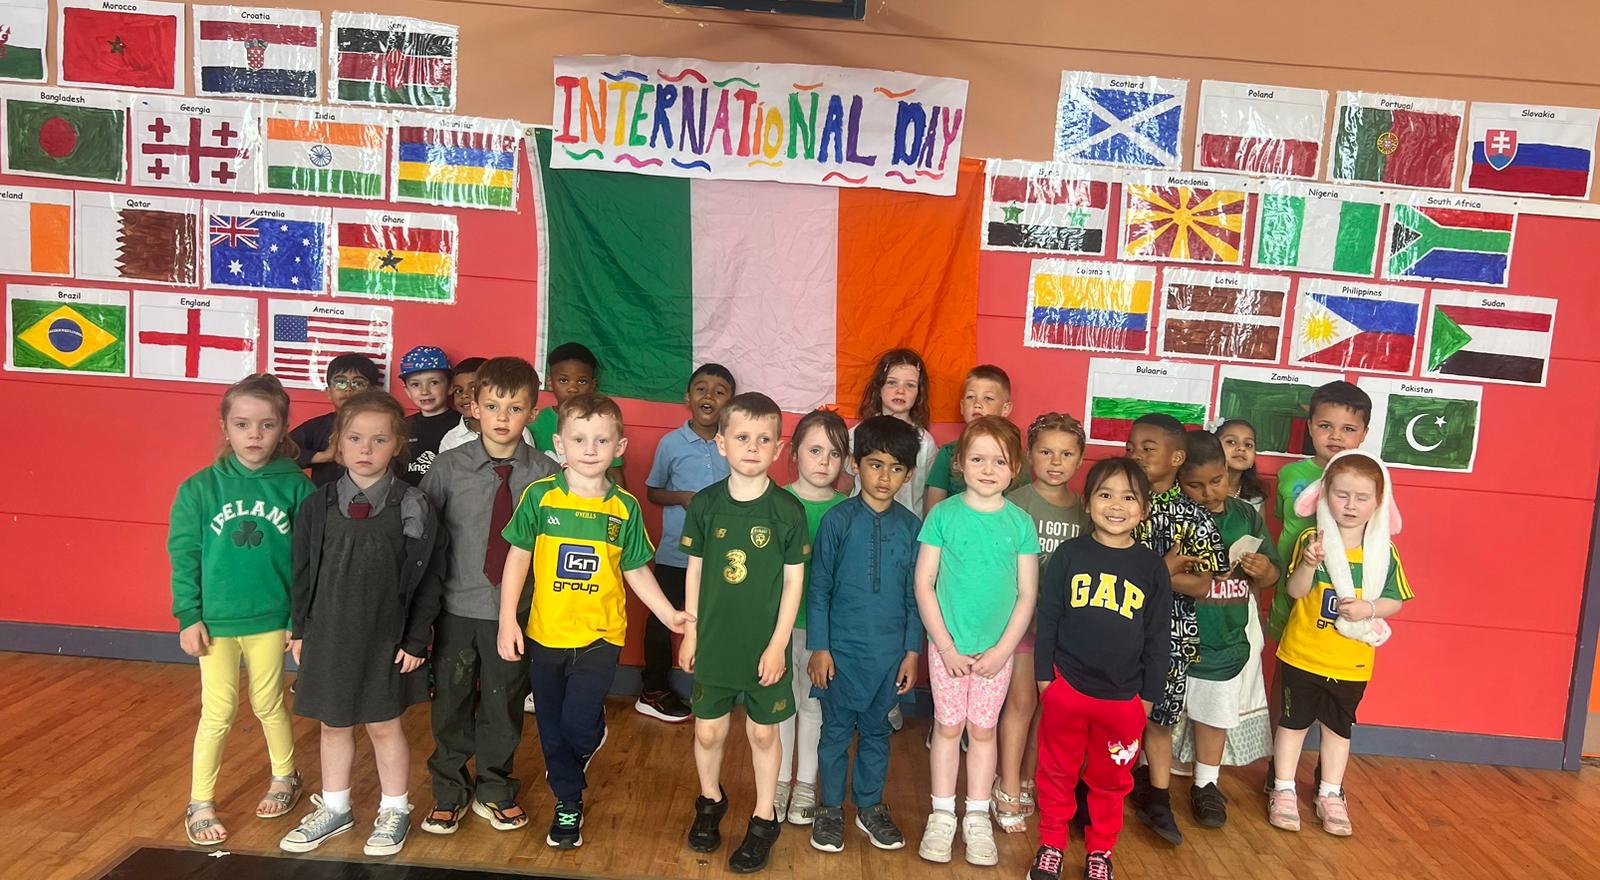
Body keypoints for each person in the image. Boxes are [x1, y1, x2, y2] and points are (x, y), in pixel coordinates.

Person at [496, 393, 695, 848]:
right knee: (551, 728)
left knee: (577, 726)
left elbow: (636, 568)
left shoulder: (623, 507)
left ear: (619, 447)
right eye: (579, 439)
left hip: (601, 635)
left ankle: (592, 734)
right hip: (546, 633)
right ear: (559, 445)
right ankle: (568, 803)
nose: (590, 449)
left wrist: (668, 613)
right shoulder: (540, 497)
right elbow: (517, 559)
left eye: (601, 440)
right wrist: (508, 620)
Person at [280, 391, 446, 857]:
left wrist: (417, 639)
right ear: (338, 442)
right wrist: (301, 629)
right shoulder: (318, 505)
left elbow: (430, 576)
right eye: (354, 438)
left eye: (379, 439)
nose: (366, 449)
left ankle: (395, 808)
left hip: (386, 639)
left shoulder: (413, 504)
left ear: (398, 445)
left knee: (384, 725)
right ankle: (336, 807)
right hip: (329, 634)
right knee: (333, 724)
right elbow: (301, 573)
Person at [169, 374, 314, 847]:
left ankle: (285, 776)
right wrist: (188, 615)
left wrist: (297, 621)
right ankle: (200, 801)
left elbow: (308, 563)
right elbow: (184, 555)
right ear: (225, 427)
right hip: (216, 623)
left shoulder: (296, 488)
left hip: (271, 620)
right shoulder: (199, 489)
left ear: (282, 428)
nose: (255, 434)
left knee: (269, 702)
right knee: (218, 710)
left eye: (267, 425)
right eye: (243, 424)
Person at [418, 357, 555, 837]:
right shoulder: (448, 468)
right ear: (473, 407)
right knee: (451, 701)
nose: (502, 417)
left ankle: (495, 788)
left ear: (532, 413)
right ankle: (449, 790)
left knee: (504, 701)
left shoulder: (547, 475)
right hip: (457, 609)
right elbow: (424, 538)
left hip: (516, 613)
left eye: (515, 408)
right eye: (493, 406)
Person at [679, 392, 809, 874]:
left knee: (762, 733)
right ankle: (709, 802)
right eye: (742, 437)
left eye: (763, 439)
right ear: (722, 443)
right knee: (709, 730)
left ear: (778, 448)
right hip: (715, 641)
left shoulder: (787, 510)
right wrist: (691, 632)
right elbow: (694, 570)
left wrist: (778, 645)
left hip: (764, 647)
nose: (752, 447)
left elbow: (793, 582)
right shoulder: (706, 504)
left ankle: (763, 817)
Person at [1028, 457, 1172, 880]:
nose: (1116, 506)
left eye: (1128, 497)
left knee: (1111, 781)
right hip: (1067, 689)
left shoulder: (1151, 567)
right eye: (1105, 494)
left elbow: (1158, 637)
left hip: (1124, 699)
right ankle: (1051, 844)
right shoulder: (1069, 555)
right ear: (1087, 502)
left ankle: (1100, 852)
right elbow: (1048, 619)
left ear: (1144, 509)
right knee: (1056, 773)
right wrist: (1045, 680)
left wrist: (1148, 697)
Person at [914, 416, 1040, 866]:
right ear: (960, 464)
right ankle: (942, 814)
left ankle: (977, 816)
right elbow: (924, 584)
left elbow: (1027, 594)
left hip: (996, 653)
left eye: (999, 461)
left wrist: (1003, 651)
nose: (988, 469)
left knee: (983, 731)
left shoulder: (1020, 523)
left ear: (1015, 468)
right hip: (947, 648)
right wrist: (946, 647)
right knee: (948, 727)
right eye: (978, 459)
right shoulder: (943, 516)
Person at [1269, 450, 1411, 837]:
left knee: (1338, 730)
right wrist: (1308, 564)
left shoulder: (1384, 552)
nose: (1350, 505)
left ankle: (1330, 793)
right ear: (1324, 494)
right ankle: (1283, 789)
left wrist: (1369, 608)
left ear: (1379, 502)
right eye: (1341, 494)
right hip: (1303, 654)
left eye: (1362, 497)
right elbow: (1295, 591)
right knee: (1292, 724)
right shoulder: (1312, 540)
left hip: (1351, 662)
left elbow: (1395, 601)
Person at [806, 416, 924, 854]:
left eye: (896, 468)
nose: (884, 477)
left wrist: (912, 652)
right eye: (875, 465)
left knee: (877, 733)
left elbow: (917, 596)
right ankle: (829, 809)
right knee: (835, 733)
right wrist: (820, 647)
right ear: (855, 465)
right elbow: (819, 588)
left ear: (909, 475)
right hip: (839, 652)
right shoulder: (837, 521)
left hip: (889, 656)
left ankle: (870, 806)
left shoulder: (912, 528)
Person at [1124, 414, 1226, 847]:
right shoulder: (1120, 502)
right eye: (1131, 447)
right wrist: (1163, 571)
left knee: (1159, 719)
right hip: (1115, 627)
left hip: (1171, 635)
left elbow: (1201, 584)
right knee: (1110, 713)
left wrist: (1154, 575)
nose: (1136, 454)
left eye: (1148, 449)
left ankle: (1159, 797)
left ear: (1176, 458)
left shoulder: (1193, 517)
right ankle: (1094, 788)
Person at [1174, 431, 1279, 828]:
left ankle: (1206, 784)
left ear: (1227, 471)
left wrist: (1262, 570)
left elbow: (1272, 574)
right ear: (1178, 480)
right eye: (1195, 485)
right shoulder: (1172, 516)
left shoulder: (1246, 515)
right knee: (1162, 717)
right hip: (1177, 636)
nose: (1208, 493)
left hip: (1226, 638)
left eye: (1216, 481)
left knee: (1213, 715)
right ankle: (1152, 781)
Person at [993, 412, 1091, 833]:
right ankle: (1007, 784)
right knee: (1021, 704)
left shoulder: (1086, 511)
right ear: (1029, 455)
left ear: (1080, 460)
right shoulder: (1014, 503)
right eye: (1046, 452)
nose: (1056, 462)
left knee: (1046, 708)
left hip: (1064, 630)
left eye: (1066, 454)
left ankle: (1029, 778)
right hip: (1018, 624)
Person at [640, 363, 736, 722]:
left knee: (714, 623)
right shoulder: (671, 444)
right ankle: (653, 689)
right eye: (701, 388)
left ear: (730, 403)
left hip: (721, 555)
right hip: (676, 553)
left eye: (719, 391)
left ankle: (709, 687)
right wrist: (682, 497)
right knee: (662, 621)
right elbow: (653, 492)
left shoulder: (733, 444)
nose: (709, 396)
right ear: (688, 397)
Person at [776, 409, 849, 826]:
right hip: (780, 625)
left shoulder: (847, 510)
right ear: (794, 453)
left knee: (813, 704)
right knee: (782, 702)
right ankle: (779, 780)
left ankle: (805, 782)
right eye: (815, 450)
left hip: (824, 630)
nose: (824, 461)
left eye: (834, 453)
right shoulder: (776, 502)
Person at [1268, 382, 1372, 639]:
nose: (1335, 436)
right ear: (1310, 426)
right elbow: (1284, 521)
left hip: (1336, 590)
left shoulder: (1368, 480)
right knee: (1284, 647)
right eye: (1325, 426)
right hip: (1290, 582)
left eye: (1348, 429)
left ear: (1364, 433)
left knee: (1326, 648)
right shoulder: (1289, 474)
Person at [923, 365, 1022, 512]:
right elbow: (933, 509)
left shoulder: (1014, 455)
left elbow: (1021, 506)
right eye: (971, 397)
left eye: (988, 398)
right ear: (962, 406)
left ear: (1005, 409)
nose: (977, 404)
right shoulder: (948, 453)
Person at [529, 342, 627, 489]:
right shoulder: (535, 422)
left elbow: (614, 473)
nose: (573, 388)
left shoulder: (603, 423)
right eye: (563, 380)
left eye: (582, 381)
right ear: (550, 382)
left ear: (592, 385)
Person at [854, 348, 938, 517]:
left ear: (919, 393)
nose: (900, 391)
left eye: (910, 385)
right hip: (859, 521)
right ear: (879, 387)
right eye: (892, 382)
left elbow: (928, 492)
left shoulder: (926, 443)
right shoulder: (857, 433)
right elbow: (847, 482)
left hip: (907, 526)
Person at [288, 353, 382, 487]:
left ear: (373, 391)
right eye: (341, 382)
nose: (349, 389)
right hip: (324, 497)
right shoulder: (317, 427)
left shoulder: (383, 427)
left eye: (358, 383)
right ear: (329, 392)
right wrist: (325, 456)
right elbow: (280, 451)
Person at [397, 345, 461, 487]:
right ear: (407, 391)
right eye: (415, 384)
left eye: (434, 382)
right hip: (407, 498)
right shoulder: (401, 427)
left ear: (451, 386)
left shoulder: (462, 424)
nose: (424, 391)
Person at [1215, 419, 1266, 514]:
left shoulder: (1255, 499)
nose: (1242, 448)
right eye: (1231, 442)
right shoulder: (1200, 490)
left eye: (1248, 445)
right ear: (1213, 446)